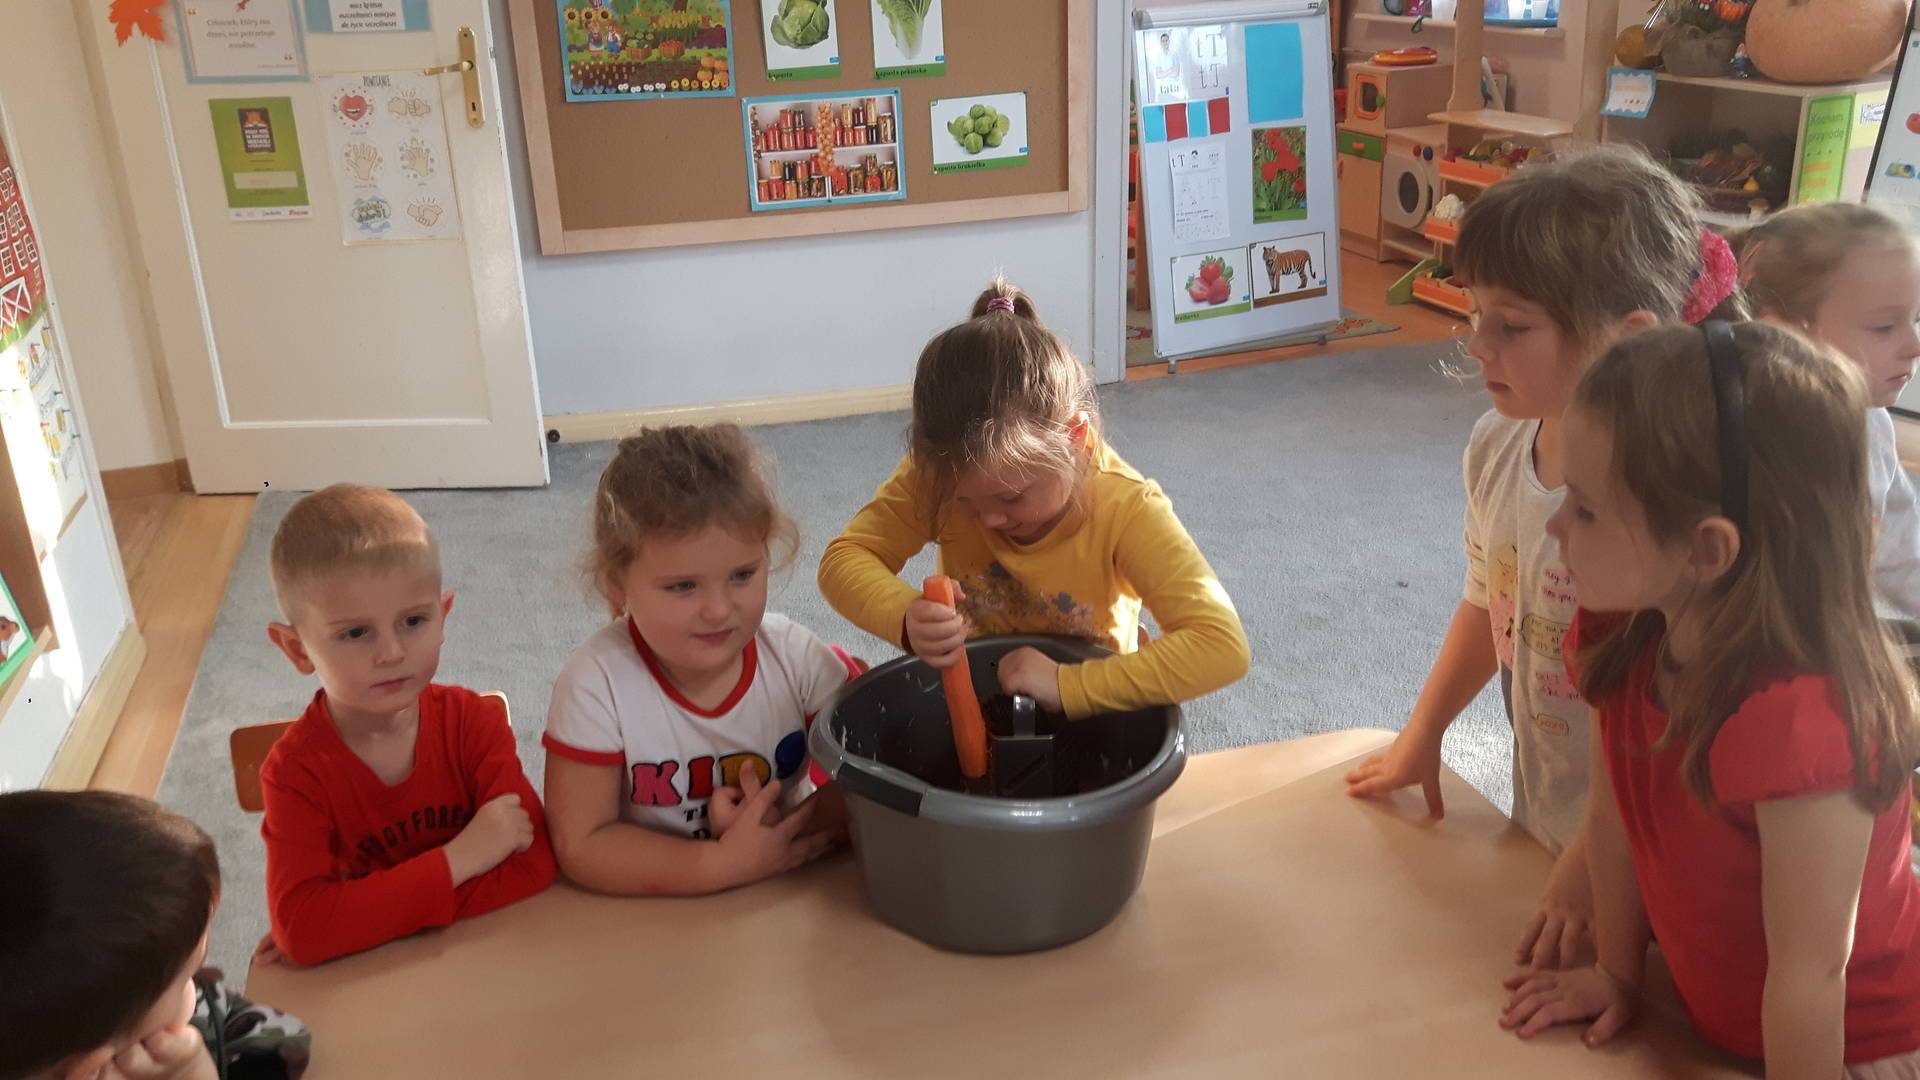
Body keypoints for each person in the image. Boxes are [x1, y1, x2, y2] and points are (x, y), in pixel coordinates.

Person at [1343, 146, 1744, 970]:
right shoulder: (1498, 444)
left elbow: (1674, 720)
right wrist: (1424, 731)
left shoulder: (1665, 501)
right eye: (1474, 311)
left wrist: (1596, 864)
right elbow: (1487, 597)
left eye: (1513, 325)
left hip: (1660, 857)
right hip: (1554, 818)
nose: (1476, 344)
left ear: (1630, 341)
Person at [1500, 321, 1920, 1077]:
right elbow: (1614, 821)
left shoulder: (1803, 727)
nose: (1555, 525)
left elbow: (1813, 977)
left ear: (1705, 550)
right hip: (1727, 1021)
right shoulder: (1622, 633)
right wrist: (1618, 973)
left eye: (1586, 509)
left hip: (1857, 1045)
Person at [817, 277, 1249, 719]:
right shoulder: (942, 473)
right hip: (977, 697)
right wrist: (905, 614)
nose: (988, 519)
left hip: (1097, 709)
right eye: (965, 503)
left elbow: (1221, 645)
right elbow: (844, 559)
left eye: (1012, 498)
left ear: (1076, 439)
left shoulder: (1126, 508)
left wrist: (1067, 686)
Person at [543, 425, 854, 895]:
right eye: (683, 586)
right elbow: (581, 843)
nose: (719, 609)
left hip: (786, 887)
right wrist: (722, 863)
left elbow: (872, 782)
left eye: (742, 575)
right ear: (616, 584)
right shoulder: (594, 683)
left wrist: (777, 833)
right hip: (655, 910)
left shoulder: (798, 658)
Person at [259, 484, 555, 966]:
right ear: (296, 649)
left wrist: (357, 920)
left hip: (487, 962)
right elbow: (304, 928)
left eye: (414, 621)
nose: (392, 652)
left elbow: (535, 864)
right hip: (376, 985)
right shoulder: (294, 772)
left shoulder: (472, 723)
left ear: (443, 616)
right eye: (356, 632)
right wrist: (462, 858)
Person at [0, 790, 311, 1080]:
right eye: (186, 977)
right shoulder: (163, 1035)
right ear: (94, 1069)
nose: (197, 984)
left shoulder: (145, 1012)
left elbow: (284, 1039)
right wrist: (194, 1072)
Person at [1726, 201, 1920, 617]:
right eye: (1884, 327)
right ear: (1783, 330)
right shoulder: (1740, 425)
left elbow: (1903, 554)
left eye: (1916, 319)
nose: (1914, 345)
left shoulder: (1871, 422)